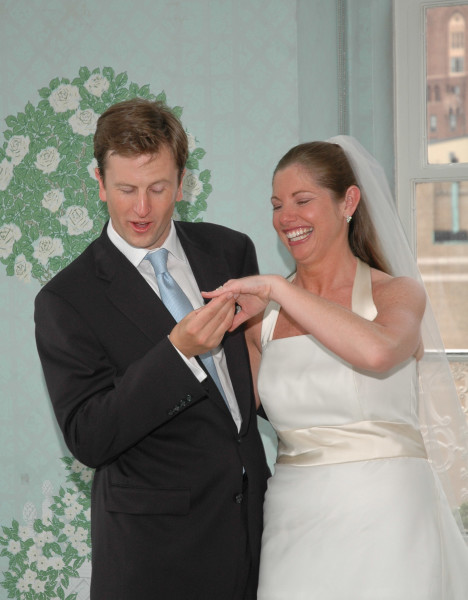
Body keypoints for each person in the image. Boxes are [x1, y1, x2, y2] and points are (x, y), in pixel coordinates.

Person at [205, 137, 468, 599]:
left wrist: (278, 290)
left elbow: (378, 352)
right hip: (294, 518)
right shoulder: (258, 323)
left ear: (348, 200)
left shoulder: (397, 293)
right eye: (276, 204)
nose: (287, 217)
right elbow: (233, 422)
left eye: (302, 200)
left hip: (390, 515)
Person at [34, 98, 270, 600]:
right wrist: (176, 352)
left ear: (182, 183)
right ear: (98, 184)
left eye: (158, 188)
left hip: (257, 536)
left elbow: (251, 390)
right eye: (126, 189)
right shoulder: (65, 300)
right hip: (155, 559)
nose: (142, 208)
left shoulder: (231, 251)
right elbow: (89, 436)